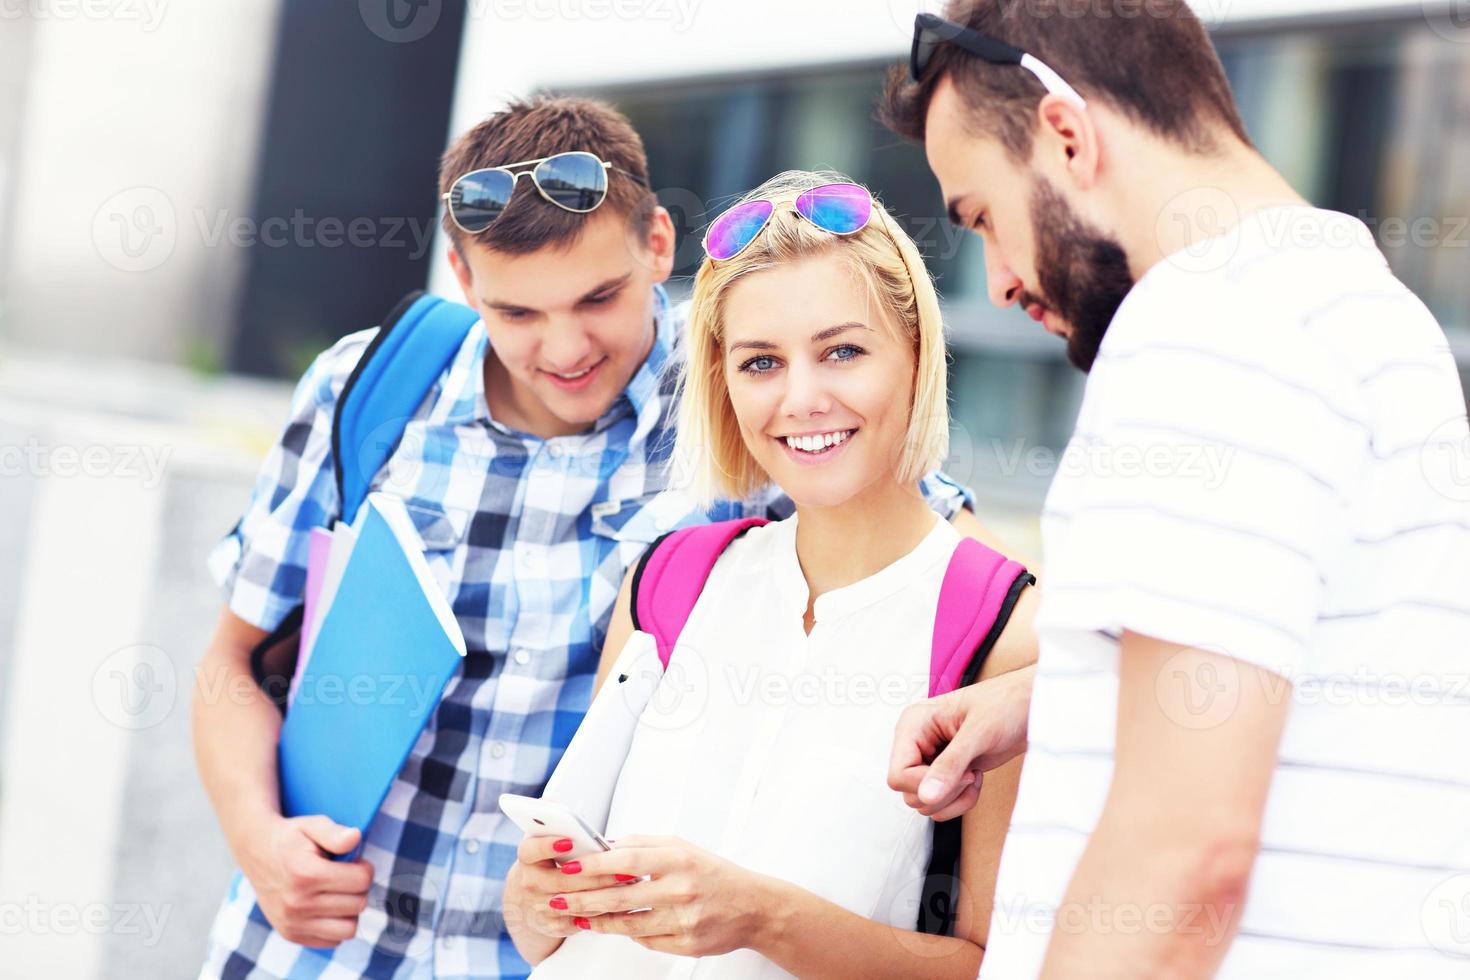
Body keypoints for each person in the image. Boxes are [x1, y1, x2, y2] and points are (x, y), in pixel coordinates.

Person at [193, 97, 994, 978]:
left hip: (544, 956)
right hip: (312, 953)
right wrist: (258, 838)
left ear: (657, 245)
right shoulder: (366, 387)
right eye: (519, 315)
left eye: (599, 298)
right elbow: (234, 663)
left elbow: (965, 584)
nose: (565, 347)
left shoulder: (748, 394)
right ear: (463, 281)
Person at [880, 2, 1470, 978]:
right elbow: (1305, 655)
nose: (997, 283)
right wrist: (1062, 690)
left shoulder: (1202, 327)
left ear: (1066, 134)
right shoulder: (1361, 308)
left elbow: (1183, 858)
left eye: (983, 216)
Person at [500, 171, 1038, 979]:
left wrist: (762, 916)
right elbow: (549, 927)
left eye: (843, 351)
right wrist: (534, 900)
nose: (802, 398)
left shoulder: (1007, 631)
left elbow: (991, 967)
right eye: (760, 363)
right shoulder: (668, 579)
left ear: (917, 354)